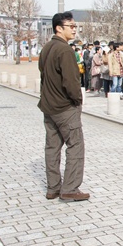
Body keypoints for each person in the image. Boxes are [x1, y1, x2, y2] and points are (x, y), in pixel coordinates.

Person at [38, 12, 89, 202]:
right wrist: (77, 100)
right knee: (75, 146)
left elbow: (44, 76)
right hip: (64, 107)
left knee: (52, 147)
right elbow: (71, 82)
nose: (74, 29)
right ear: (59, 28)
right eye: (71, 26)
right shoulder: (65, 50)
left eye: (75, 26)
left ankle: (53, 188)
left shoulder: (47, 48)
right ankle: (70, 188)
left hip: (48, 106)